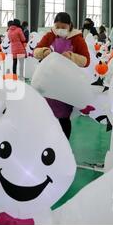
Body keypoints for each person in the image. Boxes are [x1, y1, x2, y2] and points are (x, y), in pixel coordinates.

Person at [34, 12, 90, 140]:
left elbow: (86, 60)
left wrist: (72, 56)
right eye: (57, 26)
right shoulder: (50, 36)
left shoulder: (77, 39)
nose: (60, 30)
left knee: (64, 116)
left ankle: (64, 145)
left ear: (69, 26)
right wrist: (44, 51)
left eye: (63, 27)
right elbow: (35, 51)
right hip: (49, 82)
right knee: (48, 114)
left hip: (66, 83)